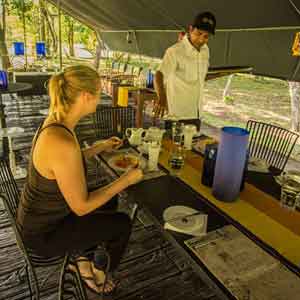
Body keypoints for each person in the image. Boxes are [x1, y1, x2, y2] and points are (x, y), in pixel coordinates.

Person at [16, 65, 143, 295]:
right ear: (86, 96)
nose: (100, 96)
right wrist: (126, 180)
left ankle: (82, 258)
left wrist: (98, 147)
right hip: (43, 234)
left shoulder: (57, 122)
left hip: (42, 216)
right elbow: (81, 207)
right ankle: (99, 272)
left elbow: (64, 166)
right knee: (122, 223)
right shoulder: (61, 141)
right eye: (99, 91)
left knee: (108, 202)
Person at [154, 12, 216, 129]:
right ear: (191, 29)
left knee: (192, 147)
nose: (201, 39)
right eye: (199, 34)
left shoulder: (205, 51)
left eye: (206, 36)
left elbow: (201, 77)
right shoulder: (175, 51)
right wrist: (161, 98)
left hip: (196, 115)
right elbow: (159, 74)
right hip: (177, 117)